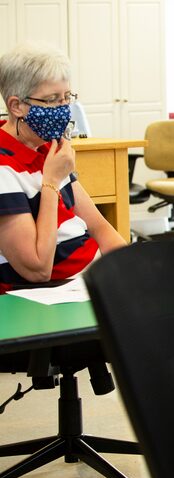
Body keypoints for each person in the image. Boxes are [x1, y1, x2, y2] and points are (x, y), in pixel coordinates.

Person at [0, 43, 125, 294]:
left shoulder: (48, 147)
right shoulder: (5, 168)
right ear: (16, 106)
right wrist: (51, 181)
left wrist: (136, 268)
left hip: (91, 275)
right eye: (52, 100)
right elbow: (37, 268)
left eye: (67, 97)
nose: (63, 108)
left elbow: (99, 227)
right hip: (53, 292)